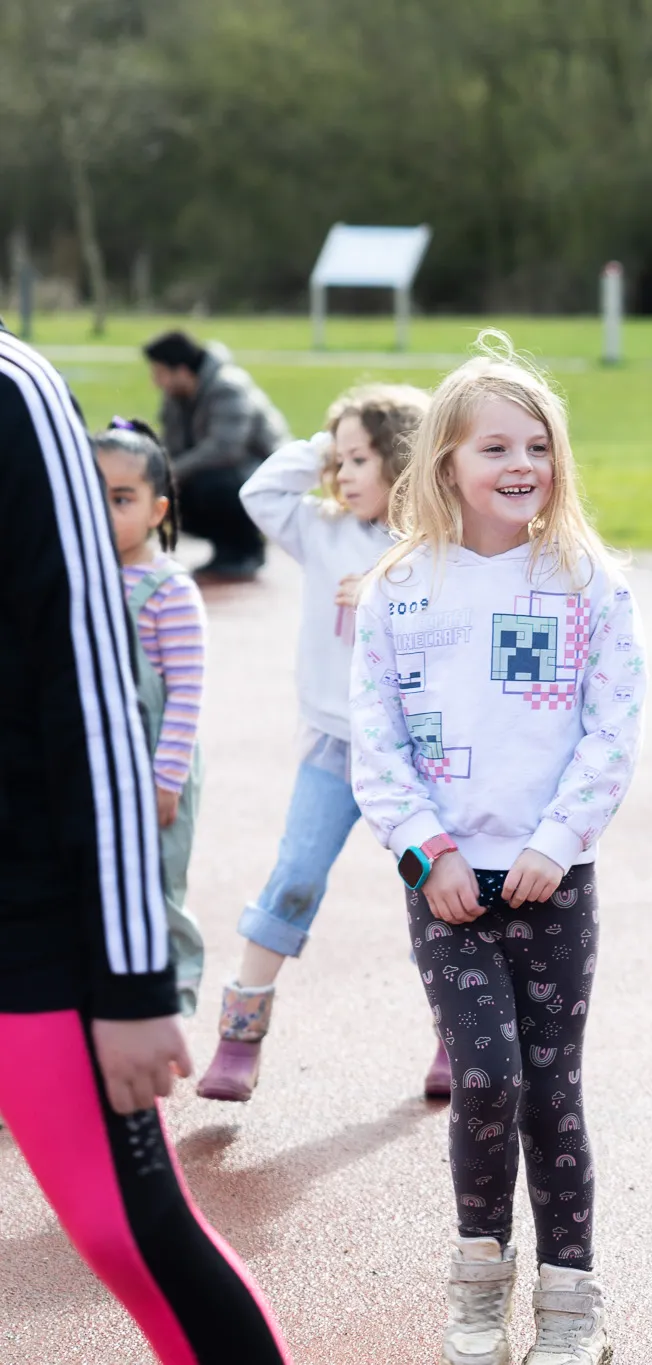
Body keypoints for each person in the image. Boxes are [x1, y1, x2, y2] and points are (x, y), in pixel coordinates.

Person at [351, 333, 645, 1365]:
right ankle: (478, 1287)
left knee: (550, 1091)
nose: (522, 466)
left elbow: (612, 735)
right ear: (445, 464)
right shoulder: (399, 591)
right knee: (484, 1078)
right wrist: (424, 853)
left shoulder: (589, 584)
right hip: (446, 887)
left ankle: (570, 1307)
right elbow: (376, 746)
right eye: (494, 449)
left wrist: (557, 844)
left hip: (553, 885)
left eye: (539, 446)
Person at [0, 322, 291, 1362]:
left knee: (128, 1234)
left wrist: (131, 986)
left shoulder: (13, 394)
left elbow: (92, 706)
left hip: (29, 930)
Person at [195, 384, 450, 1103]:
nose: (343, 475)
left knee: (439, 893)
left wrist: (388, 591)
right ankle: (239, 1041)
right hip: (335, 748)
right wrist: (327, 441)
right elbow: (259, 491)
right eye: (339, 461)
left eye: (361, 459)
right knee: (295, 876)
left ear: (404, 459)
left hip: (419, 757)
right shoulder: (322, 527)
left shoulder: (441, 547)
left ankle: (457, 1036)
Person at [92, 418, 208, 1018]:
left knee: (159, 889)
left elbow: (187, 691)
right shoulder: (75, 578)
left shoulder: (167, 589)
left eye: (122, 499)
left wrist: (166, 778)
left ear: (157, 508)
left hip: (155, 766)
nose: (105, 510)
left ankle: (174, 1001)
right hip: (91, 765)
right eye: (92, 493)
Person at [143, 329, 290, 583]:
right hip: (228, 474)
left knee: (210, 484)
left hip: (262, 476)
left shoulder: (228, 386)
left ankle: (247, 550)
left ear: (181, 370)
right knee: (167, 496)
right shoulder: (176, 397)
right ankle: (227, 551)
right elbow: (171, 445)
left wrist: (172, 472)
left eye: (160, 373)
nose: (156, 382)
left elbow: (225, 450)